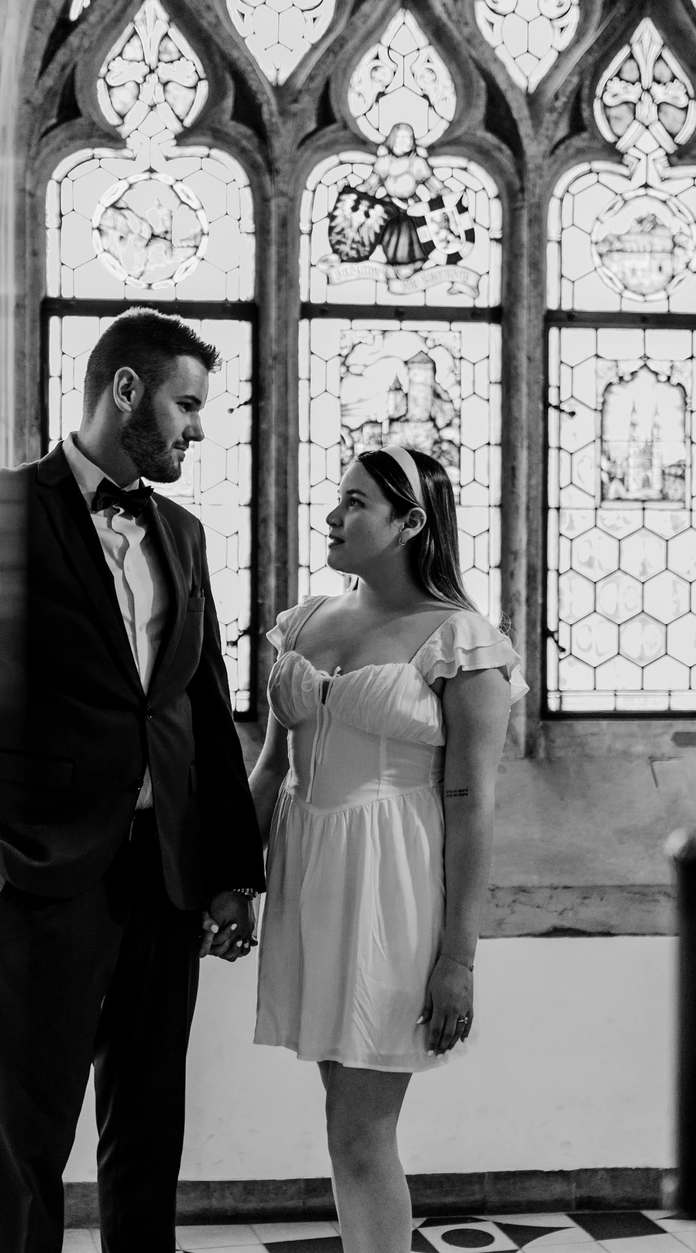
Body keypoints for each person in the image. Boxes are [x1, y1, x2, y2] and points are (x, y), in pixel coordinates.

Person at [0, 308, 265, 1253]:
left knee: (148, 1139)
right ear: (126, 390)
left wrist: (228, 869)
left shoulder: (186, 532)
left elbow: (203, 709)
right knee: (27, 1144)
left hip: (165, 878)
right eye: (187, 404)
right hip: (38, 877)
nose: (197, 429)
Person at [248, 444, 525, 1253]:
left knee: (361, 1131)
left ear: (411, 522)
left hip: (393, 886)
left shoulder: (463, 641)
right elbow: (269, 768)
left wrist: (459, 959)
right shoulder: (304, 621)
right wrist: (231, 880)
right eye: (338, 497)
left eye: (356, 501)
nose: (334, 515)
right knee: (345, 1124)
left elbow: (472, 804)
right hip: (309, 880)